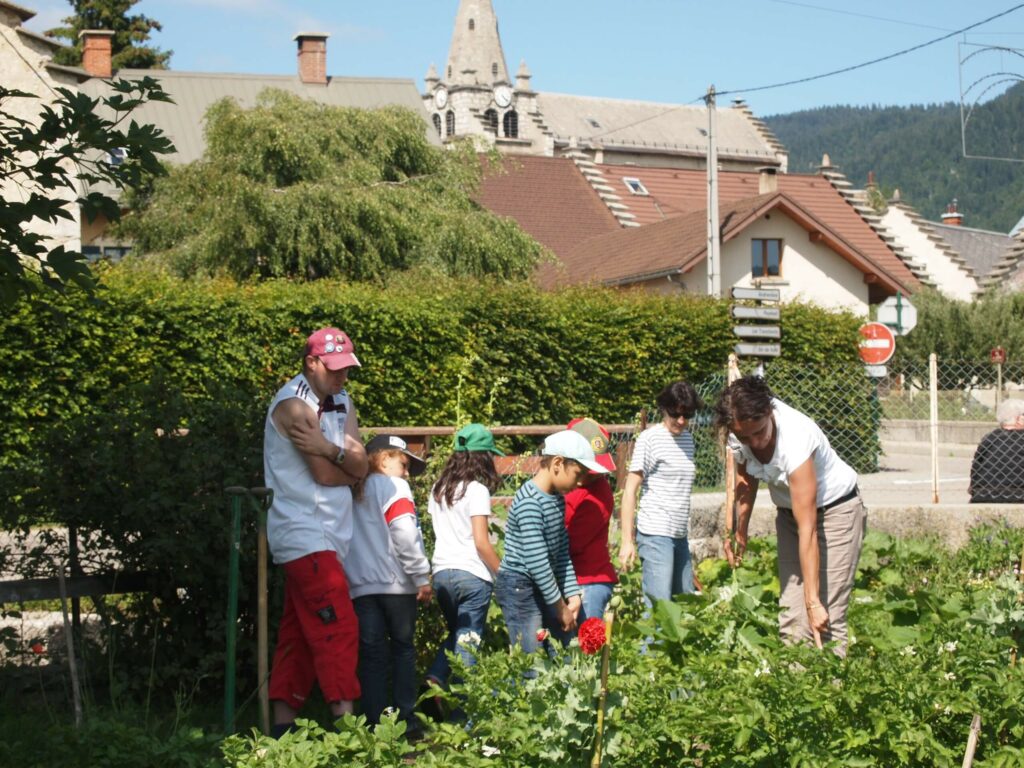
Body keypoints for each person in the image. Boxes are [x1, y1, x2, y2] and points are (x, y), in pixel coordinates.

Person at [264, 327, 368, 737]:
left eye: (347, 369)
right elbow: (332, 475)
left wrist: (330, 450)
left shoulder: (342, 399)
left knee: (299, 634)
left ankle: (282, 733)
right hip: (304, 533)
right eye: (335, 369)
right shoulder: (293, 405)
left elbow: (359, 464)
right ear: (311, 363)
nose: (343, 378)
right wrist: (346, 462)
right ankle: (350, 733)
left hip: (331, 536)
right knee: (339, 626)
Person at [715, 375, 865, 656]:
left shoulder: (795, 438)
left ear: (769, 413)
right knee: (792, 617)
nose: (755, 442)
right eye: (745, 436)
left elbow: (807, 529)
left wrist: (812, 601)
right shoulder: (740, 430)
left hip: (836, 513)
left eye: (759, 432)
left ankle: (833, 692)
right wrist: (739, 530)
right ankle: (796, 693)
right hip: (788, 516)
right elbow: (746, 479)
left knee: (825, 612)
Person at [346, 434, 432, 736]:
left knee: (371, 656)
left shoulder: (351, 488)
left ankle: (373, 725)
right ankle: (406, 723)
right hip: (397, 585)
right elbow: (405, 534)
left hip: (361, 587)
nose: (407, 473)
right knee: (403, 651)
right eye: (404, 463)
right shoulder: (395, 486)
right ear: (384, 460)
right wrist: (421, 576)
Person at [495, 430, 609, 653]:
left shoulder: (556, 499)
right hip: (520, 587)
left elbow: (562, 552)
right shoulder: (530, 502)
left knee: (561, 650)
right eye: (577, 474)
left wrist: (573, 594)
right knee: (531, 658)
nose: (579, 483)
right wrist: (560, 607)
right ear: (558, 463)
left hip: (545, 585)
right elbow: (538, 563)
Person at [425, 424, 504, 693]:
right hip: (471, 575)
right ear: (482, 458)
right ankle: (463, 713)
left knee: (458, 634)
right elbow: (482, 543)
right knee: (468, 642)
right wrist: (502, 575)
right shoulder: (476, 490)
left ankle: (435, 678)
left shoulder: (437, 489)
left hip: (442, 574)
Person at [619, 381, 701, 606]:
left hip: (679, 533)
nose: (682, 421)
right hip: (655, 532)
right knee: (659, 608)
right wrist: (627, 540)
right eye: (676, 415)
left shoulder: (687, 440)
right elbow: (630, 491)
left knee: (685, 602)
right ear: (664, 409)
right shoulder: (650, 439)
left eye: (687, 415)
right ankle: (649, 643)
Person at [563, 418, 618, 622]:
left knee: (585, 648)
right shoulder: (570, 487)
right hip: (574, 579)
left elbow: (571, 542)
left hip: (588, 581)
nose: (592, 475)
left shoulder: (599, 495)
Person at [969, 398, 1024, 504]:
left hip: (983, 495)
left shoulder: (989, 438)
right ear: (1019, 419)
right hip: (1019, 495)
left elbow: (975, 468)